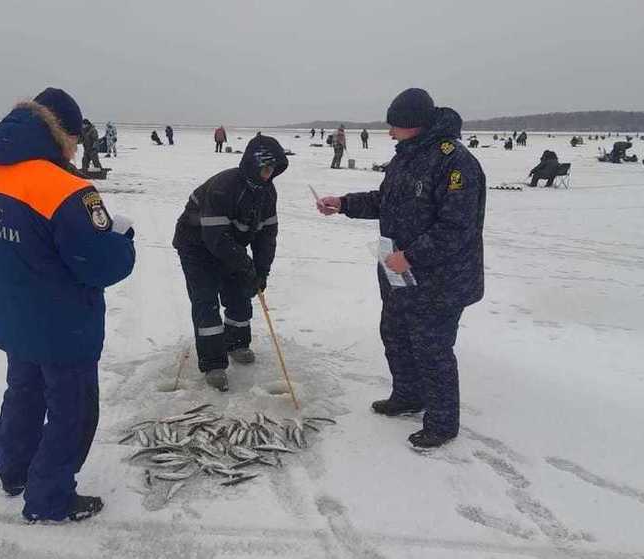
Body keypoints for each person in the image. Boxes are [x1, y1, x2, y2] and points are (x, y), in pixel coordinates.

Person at [0, 87, 135, 522]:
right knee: (71, 411)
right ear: (64, 134)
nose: (77, 148)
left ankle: (15, 470)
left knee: (23, 391)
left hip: (13, 313)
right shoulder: (65, 188)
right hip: (63, 325)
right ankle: (49, 498)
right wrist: (121, 241)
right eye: (75, 139)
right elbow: (100, 266)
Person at [316, 88, 486, 449]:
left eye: (396, 126)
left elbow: (457, 226)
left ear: (416, 125)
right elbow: (385, 201)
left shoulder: (455, 162)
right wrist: (344, 204)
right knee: (394, 333)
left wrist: (411, 255)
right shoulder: (406, 157)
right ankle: (408, 395)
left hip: (440, 278)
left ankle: (442, 423)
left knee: (432, 347)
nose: (390, 132)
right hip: (399, 273)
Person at [172, 135, 288, 392]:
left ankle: (237, 343)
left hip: (230, 245)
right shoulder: (224, 186)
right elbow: (215, 238)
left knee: (239, 292)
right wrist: (245, 265)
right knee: (206, 300)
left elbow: (267, 236)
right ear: (252, 164)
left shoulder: (267, 192)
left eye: (273, 169)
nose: (268, 174)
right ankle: (213, 362)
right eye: (265, 168)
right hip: (196, 245)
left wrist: (261, 271)